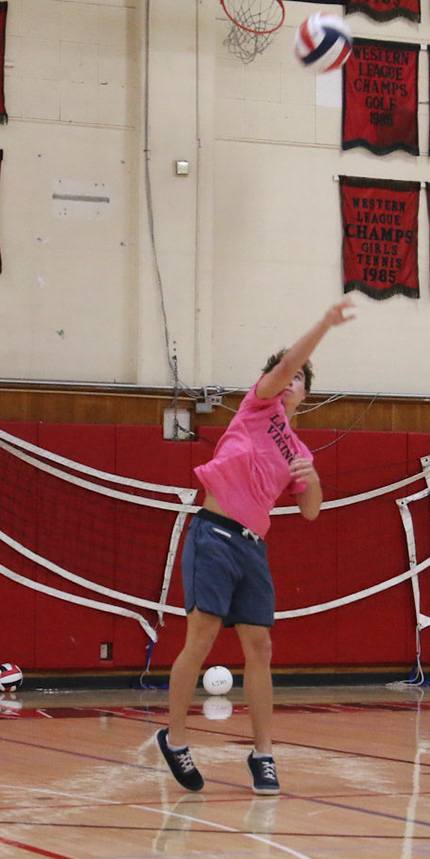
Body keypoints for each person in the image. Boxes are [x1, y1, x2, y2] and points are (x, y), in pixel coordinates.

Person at [156, 297, 356, 795]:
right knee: (201, 639)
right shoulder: (258, 405)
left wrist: (312, 479)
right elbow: (286, 365)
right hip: (214, 534)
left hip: (252, 547)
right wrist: (324, 324)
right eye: (286, 373)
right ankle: (176, 740)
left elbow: (311, 511)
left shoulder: (299, 450)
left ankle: (263, 754)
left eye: (299, 379)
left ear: (307, 394)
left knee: (261, 647)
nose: (290, 380)